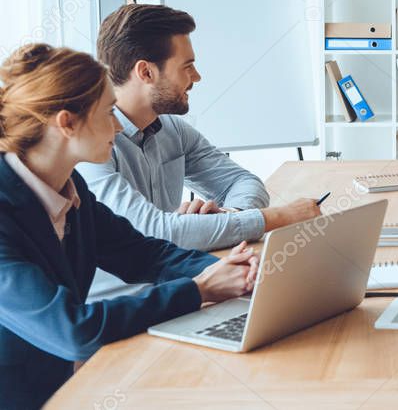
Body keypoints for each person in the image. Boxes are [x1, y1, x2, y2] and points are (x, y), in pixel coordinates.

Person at [0, 44, 258, 408]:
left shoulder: (71, 187)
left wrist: (232, 271)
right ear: (66, 122)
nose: (119, 125)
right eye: (108, 112)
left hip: (65, 386)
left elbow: (143, 253)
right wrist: (198, 290)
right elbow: (74, 330)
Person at [77, 4, 319, 299]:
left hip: (178, 286)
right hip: (122, 308)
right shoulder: (90, 147)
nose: (197, 77)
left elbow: (242, 182)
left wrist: (229, 217)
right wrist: (278, 217)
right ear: (146, 71)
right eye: (187, 66)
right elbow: (154, 232)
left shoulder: (172, 129)